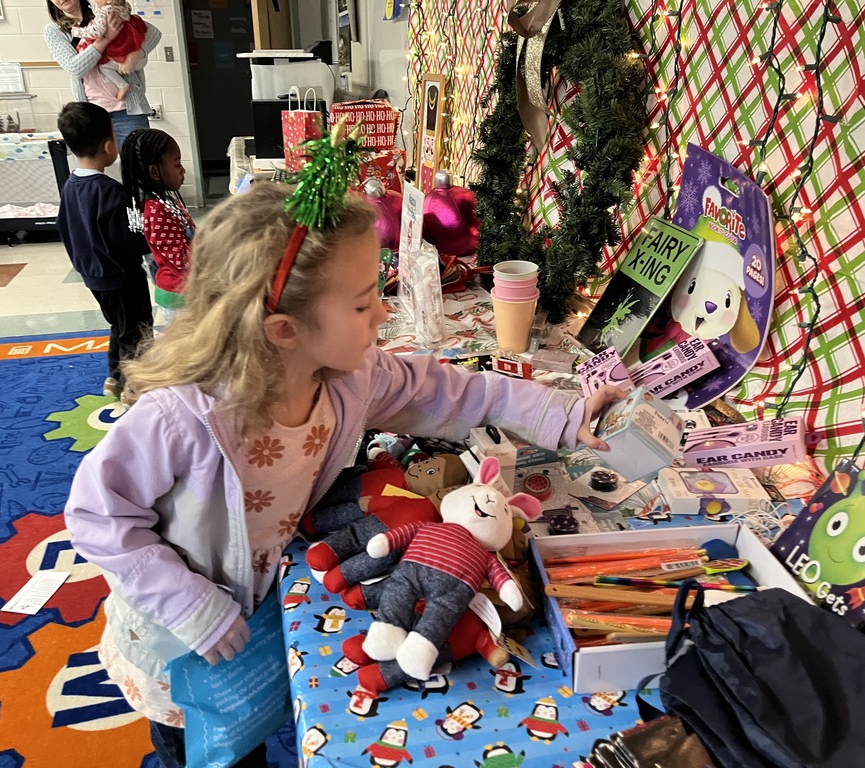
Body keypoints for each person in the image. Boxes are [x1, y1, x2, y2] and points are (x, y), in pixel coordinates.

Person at [63, 172, 624, 765]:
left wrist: (562, 414)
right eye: (363, 302)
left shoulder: (353, 376)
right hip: (175, 630)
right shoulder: (179, 418)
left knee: (246, 728)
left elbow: (451, 393)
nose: (383, 311)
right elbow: (97, 515)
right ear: (285, 331)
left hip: (254, 608)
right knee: (200, 747)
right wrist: (191, 605)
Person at [55, 102, 153, 400]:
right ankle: (136, 387)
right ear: (109, 144)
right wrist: (147, 236)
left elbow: (64, 228)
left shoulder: (70, 187)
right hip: (122, 275)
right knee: (137, 329)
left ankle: (115, 377)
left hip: (93, 276)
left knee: (119, 326)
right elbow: (127, 238)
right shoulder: (111, 191)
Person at [44, 0, 161, 150]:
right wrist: (105, 40)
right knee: (101, 170)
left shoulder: (105, 12)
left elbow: (153, 33)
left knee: (139, 165)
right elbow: (75, 68)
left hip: (129, 110)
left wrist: (136, 55)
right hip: (93, 116)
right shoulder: (55, 30)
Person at [122, 128, 193, 323]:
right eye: (177, 164)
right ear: (154, 172)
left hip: (186, 291)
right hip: (179, 295)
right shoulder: (157, 211)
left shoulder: (166, 202)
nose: (183, 170)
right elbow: (182, 260)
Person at [70, 0, 148, 102]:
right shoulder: (124, 6)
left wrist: (77, 32)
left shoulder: (104, 11)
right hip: (134, 52)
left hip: (121, 56)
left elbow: (97, 31)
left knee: (104, 67)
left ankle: (122, 85)